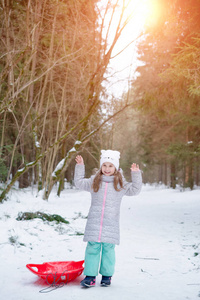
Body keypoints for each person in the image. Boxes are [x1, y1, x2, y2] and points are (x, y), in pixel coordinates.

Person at [74, 149, 142, 288]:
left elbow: (135, 189)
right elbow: (79, 182)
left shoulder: (120, 183)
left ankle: (106, 276)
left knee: (108, 250)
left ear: (115, 167)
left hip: (111, 224)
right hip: (94, 222)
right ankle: (90, 277)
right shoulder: (95, 181)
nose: (107, 169)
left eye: (110, 166)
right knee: (92, 248)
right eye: (104, 165)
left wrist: (136, 174)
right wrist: (80, 166)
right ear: (101, 166)